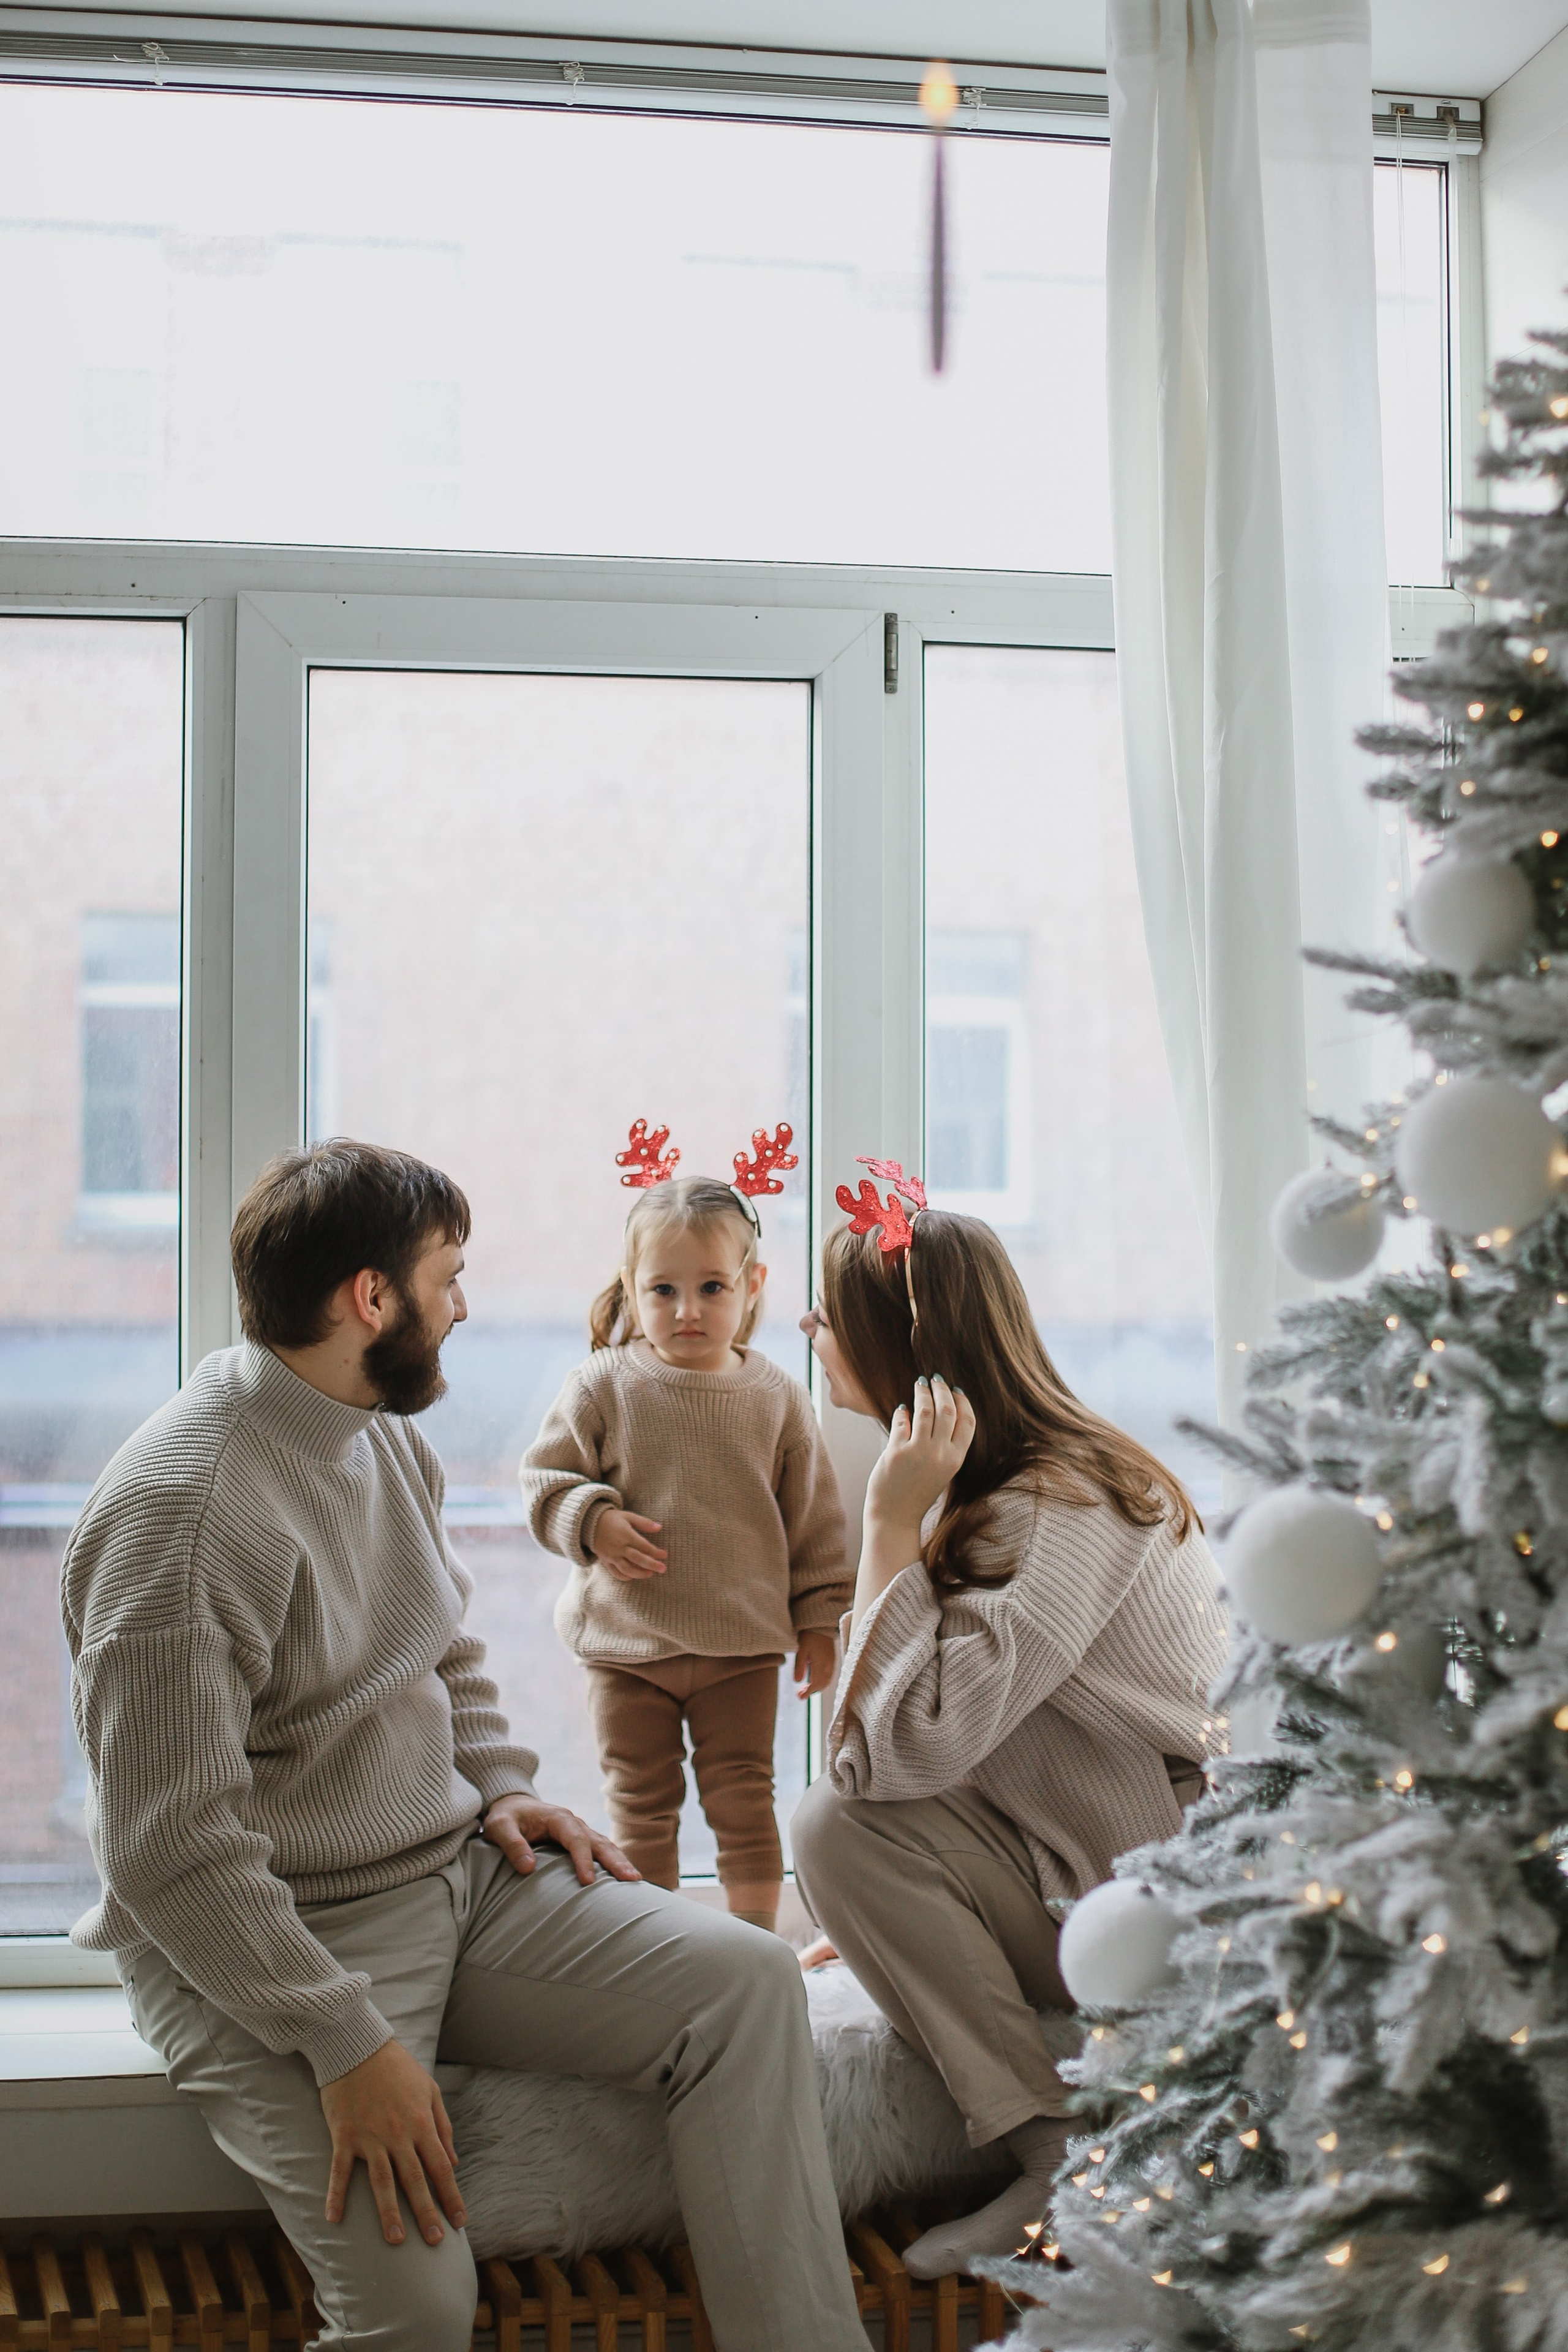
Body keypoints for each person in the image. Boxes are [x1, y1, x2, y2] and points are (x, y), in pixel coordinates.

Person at [61, 1139, 868, 2352]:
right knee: (416, 2311)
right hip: (270, 1940)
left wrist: (496, 1784)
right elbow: (167, 1851)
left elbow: (442, 1646)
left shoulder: (376, 1429)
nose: (464, 1304)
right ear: (368, 1300)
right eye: (448, 1276)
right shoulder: (186, 1514)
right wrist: (348, 2044)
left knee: (745, 1983)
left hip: (455, 1876)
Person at [790, 1183, 1226, 2281]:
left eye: (830, 1313)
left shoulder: (1061, 1510)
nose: (808, 1333)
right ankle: (1047, 2139)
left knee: (835, 1822)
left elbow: (893, 1754)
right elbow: (966, 1749)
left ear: (906, 1350)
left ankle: (1058, 2153)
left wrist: (889, 1523)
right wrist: (917, 1910)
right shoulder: (1017, 1488)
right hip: (1084, 1873)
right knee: (852, 1835)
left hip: (1158, 1927)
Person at [521, 1152, 850, 1934]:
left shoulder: (776, 1395)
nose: (686, 1309)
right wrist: (592, 1521)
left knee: (743, 1799)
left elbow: (814, 1522)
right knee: (641, 1803)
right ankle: (665, 1943)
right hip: (628, 1647)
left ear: (753, 1287)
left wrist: (819, 1621)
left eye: (712, 1287)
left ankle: (757, 1946)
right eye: (662, 1290)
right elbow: (545, 1483)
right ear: (632, 1288)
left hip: (740, 1646)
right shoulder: (603, 1384)